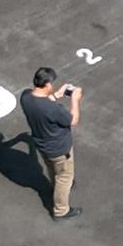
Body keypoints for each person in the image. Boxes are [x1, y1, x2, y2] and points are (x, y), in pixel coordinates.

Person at [21, 65, 81, 219]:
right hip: (60, 149)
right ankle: (61, 210)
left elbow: (41, 102)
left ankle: (56, 186)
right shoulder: (53, 109)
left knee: (53, 169)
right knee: (64, 177)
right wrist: (75, 99)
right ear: (47, 84)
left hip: (42, 145)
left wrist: (57, 95)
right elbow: (73, 120)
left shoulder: (26, 97)